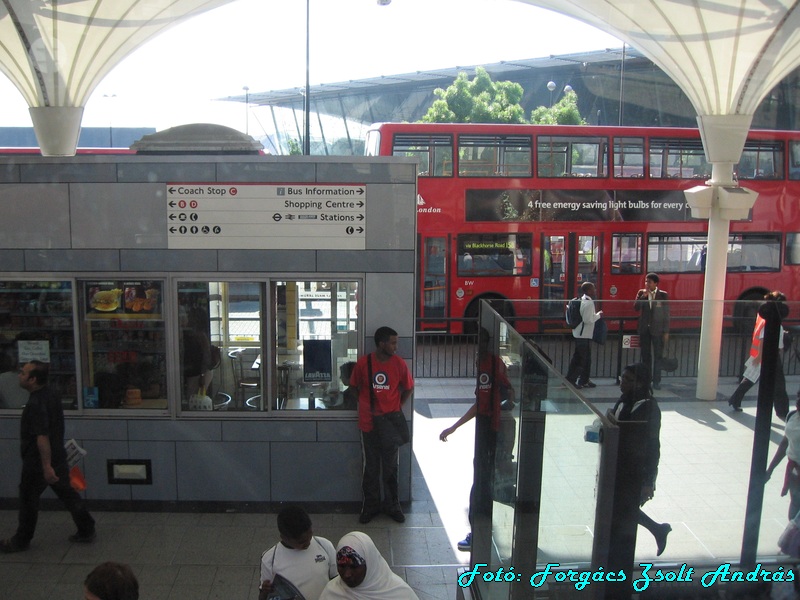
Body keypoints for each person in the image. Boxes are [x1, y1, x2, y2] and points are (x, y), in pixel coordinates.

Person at [0, 361, 96, 553]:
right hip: (57, 454)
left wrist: (46, 466)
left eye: (23, 373)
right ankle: (86, 527)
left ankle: (21, 540)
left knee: (28, 498)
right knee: (66, 492)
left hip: (38, 461)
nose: (19, 375)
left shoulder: (35, 403)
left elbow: (41, 437)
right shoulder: (51, 393)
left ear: (33, 379)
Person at [439, 327, 514, 552]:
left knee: (482, 484)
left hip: (493, 431)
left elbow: (485, 404)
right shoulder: (493, 363)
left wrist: (453, 427)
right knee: (489, 480)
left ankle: (480, 531)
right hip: (498, 429)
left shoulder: (488, 365)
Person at [350, 326, 414, 524]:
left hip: (390, 425)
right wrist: (364, 405)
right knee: (370, 468)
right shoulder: (364, 364)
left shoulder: (399, 364)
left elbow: (408, 388)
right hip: (368, 425)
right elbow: (353, 387)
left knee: (390, 468)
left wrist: (396, 406)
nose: (396, 346)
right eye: (393, 342)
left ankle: (392, 505)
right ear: (381, 344)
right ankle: (371, 506)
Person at [610, 362, 671, 556]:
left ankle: (657, 530)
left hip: (634, 470)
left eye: (628, 380)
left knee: (624, 508)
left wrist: (649, 480)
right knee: (622, 508)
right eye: (622, 378)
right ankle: (658, 530)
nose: (623, 383)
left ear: (640, 383)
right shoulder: (624, 400)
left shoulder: (649, 408)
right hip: (619, 466)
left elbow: (653, 445)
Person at [727, 290, 790, 419]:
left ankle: (734, 400)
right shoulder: (770, 320)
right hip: (769, 356)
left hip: (765, 356)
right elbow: (762, 339)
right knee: (778, 385)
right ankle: (782, 411)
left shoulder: (766, 318)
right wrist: (760, 356)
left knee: (750, 380)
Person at [259, 505, 337, 600]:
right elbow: (263, 597)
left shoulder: (324, 545)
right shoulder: (270, 559)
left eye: (310, 535)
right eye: (302, 542)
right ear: (284, 538)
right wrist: (265, 591)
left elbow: (337, 581)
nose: (308, 542)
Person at [319, 531, 419, 600]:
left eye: (354, 567)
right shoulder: (331, 593)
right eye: (341, 566)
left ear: (370, 565)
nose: (347, 574)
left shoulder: (401, 595)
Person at [765, 392, 800, 519]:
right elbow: (785, 443)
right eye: (798, 397)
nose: (798, 400)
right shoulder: (791, 416)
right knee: (795, 503)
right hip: (794, 469)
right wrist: (770, 469)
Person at [633, 273, 670, 389]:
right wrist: (642, 297)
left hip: (657, 330)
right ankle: (646, 380)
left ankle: (656, 381)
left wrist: (666, 331)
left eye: (649, 282)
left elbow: (666, 314)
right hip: (645, 329)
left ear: (655, 283)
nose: (647, 284)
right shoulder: (641, 293)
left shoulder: (663, 295)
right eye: (645, 281)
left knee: (658, 356)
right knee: (646, 356)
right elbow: (636, 307)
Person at [565, 281, 603, 389]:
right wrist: (598, 315)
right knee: (582, 359)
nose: (595, 290)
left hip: (580, 334)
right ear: (588, 291)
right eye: (593, 289)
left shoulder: (583, 300)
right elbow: (588, 320)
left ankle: (583, 379)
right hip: (584, 334)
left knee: (581, 358)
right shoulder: (589, 303)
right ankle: (573, 380)